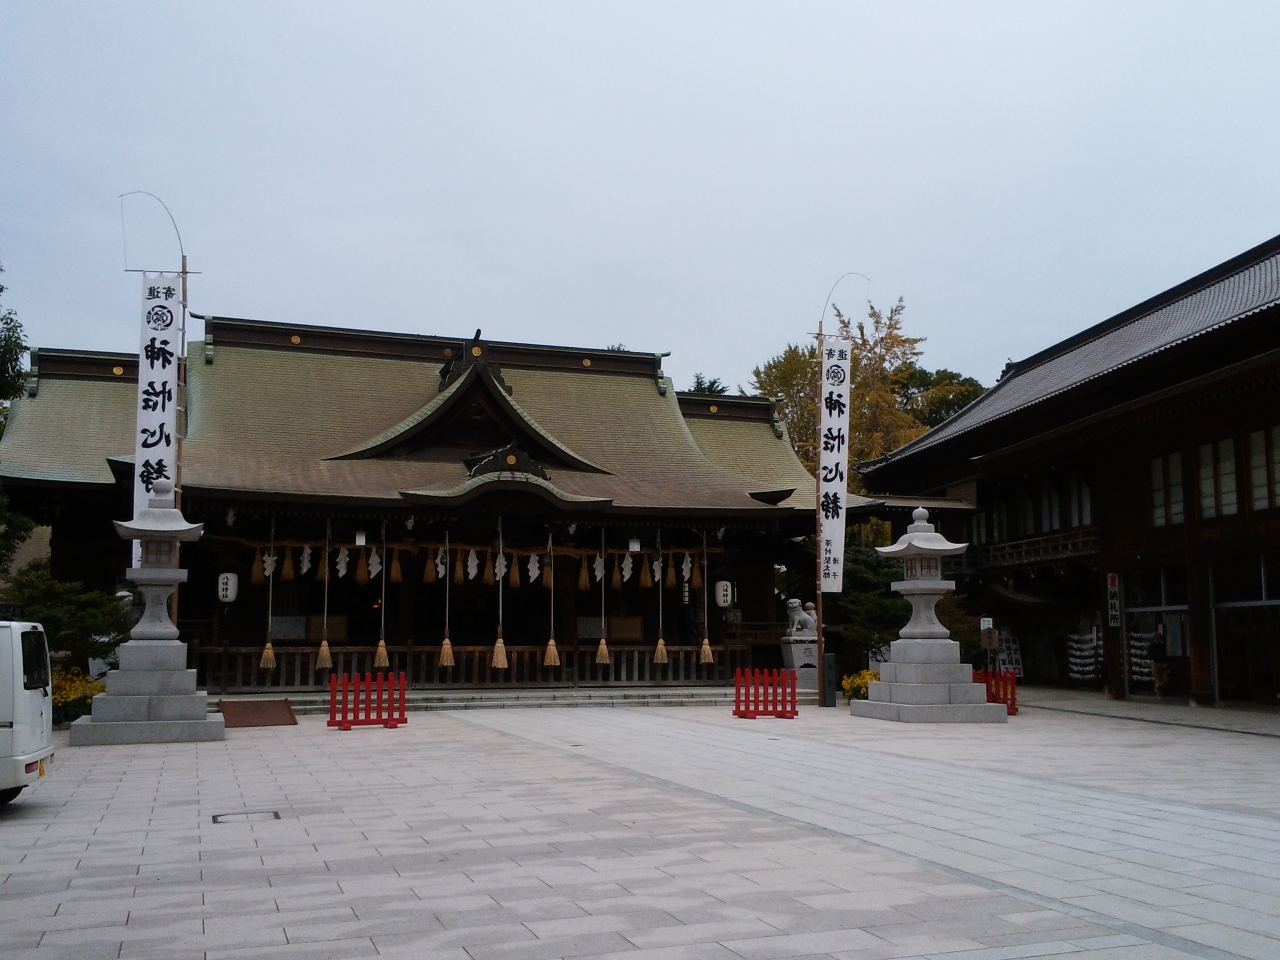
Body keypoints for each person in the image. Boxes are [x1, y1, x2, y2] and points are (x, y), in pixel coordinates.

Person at [1148, 633, 1170, 698]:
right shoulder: (1152, 645)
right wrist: (1152, 660)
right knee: (1157, 679)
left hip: (1162, 663)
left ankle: (1158, 688)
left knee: (1165, 679)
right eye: (1160, 637)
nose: (1161, 638)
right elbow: (1149, 654)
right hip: (1155, 663)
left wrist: (1166, 662)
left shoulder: (1162, 645)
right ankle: (1159, 693)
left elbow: (1165, 654)